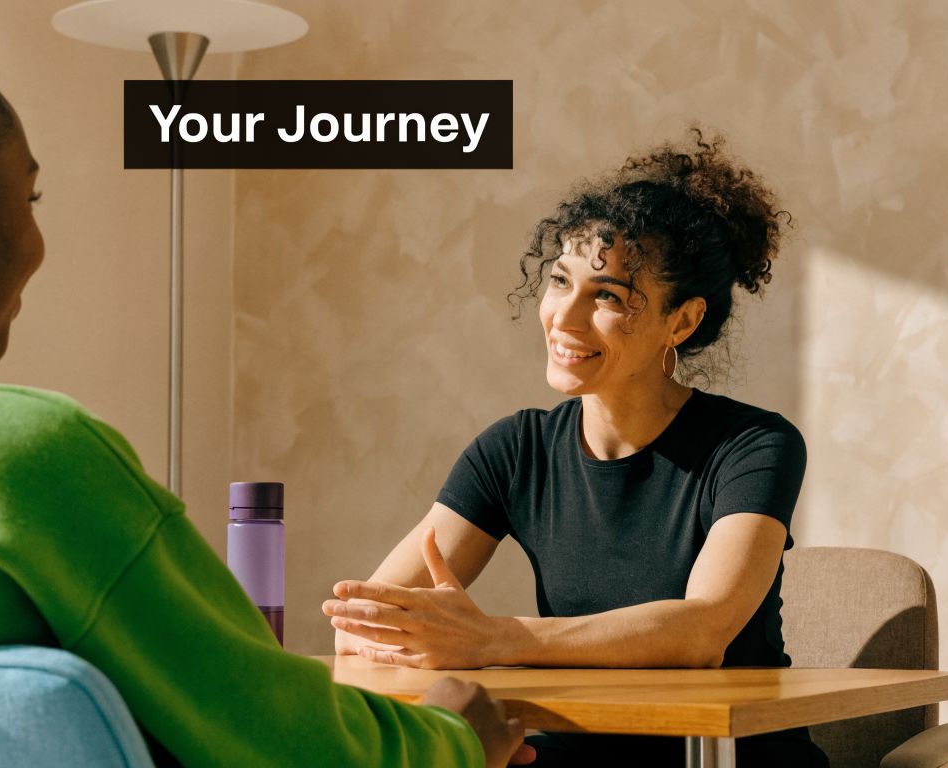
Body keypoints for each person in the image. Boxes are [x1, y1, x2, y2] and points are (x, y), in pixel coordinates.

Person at [0, 2, 534, 766]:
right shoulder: (22, 466)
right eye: (28, 200)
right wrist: (453, 738)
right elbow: (283, 744)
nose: (34, 244)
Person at [323, 134, 831, 766]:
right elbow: (365, 621)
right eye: (561, 280)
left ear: (682, 321)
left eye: (608, 296)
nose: (564, 317)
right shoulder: (515, 450)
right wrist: (399, 633)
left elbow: (702, 630)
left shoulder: (752, 447)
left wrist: (492, 639)